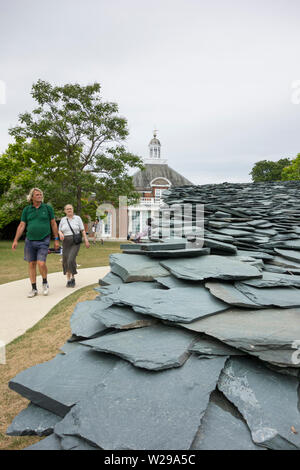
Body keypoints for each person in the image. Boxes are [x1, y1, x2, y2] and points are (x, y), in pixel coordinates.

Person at [12, 188, 59, 297]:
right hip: (30, 240)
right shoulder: (27, 210)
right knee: (31, 264)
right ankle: (34, 289)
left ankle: (45, 283)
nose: (39, 196)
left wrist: (56, 239)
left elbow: (53, 224)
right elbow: (22, 225)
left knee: (41, 263)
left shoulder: (47, 208)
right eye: (37, 195)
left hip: (44, 239)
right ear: (32, 197)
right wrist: (15, 240)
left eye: (40, 194)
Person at [58, 204, 90, 287]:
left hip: (75, 242)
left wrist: (86, 240)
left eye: (70, 209)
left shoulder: (77, 218)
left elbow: (82, 230)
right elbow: (59, 230)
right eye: (67, 209)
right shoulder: (63, 220)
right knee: (65, 261)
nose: (69, 210)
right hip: (65, 242)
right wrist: (60, 233)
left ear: (73, 210)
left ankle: (73, 277)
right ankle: (69, 279)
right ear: (65, 211)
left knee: (70, 260)